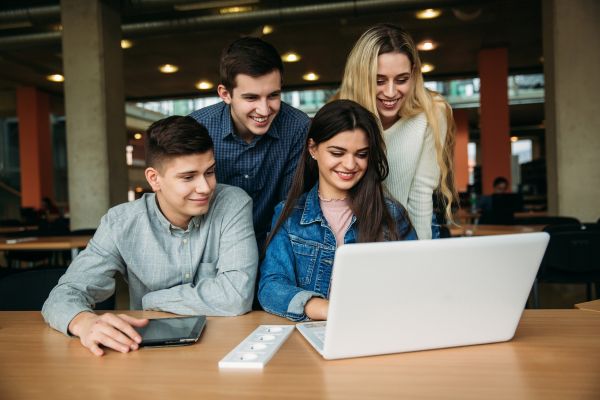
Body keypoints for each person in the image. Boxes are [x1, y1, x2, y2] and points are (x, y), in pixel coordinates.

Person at [42, 116, 258, 356]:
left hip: (224, 346)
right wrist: (83, 322)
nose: (206, 187)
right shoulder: (120, 223)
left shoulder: (232, 203)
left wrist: (152, 299)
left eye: (210, 172)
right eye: (188, 177)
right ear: (154, 179)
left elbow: (236, 296)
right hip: (146, 353)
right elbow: (63, 295)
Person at [258, 100, 417, 322]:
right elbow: (270, 287)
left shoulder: (392, 215)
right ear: (313, 148)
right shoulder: (289, 214)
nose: (350, 164)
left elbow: (415, 283)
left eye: (361, 154)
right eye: (337, 152)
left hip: (379, 330)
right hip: (313, 336)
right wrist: (328, 309)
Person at [339, 23, 457, 240]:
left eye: (402, 80)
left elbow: (420, 195)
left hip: (408, 231)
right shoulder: (344, 114)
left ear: (414, 73)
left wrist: (419, 259)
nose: (391, 92)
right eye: (379, 81)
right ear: (361, 77)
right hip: (354, 232)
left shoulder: (432, 112)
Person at [189, 37, 310, 248]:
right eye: (251, 98)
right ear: (225, 94)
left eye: (273, 95)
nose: (264, 110)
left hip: (274, 245)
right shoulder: (197, 127)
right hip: (209, 248)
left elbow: (290, 207)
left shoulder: (298, 127)